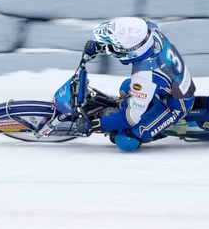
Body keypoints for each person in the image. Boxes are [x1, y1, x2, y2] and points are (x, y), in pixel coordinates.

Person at [79, 17, 196, 152]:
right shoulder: (149, 31)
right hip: (171, 84)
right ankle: (143, 105)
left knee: (125, 140)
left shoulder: (144, 76)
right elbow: (129, 41)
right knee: (125, 87)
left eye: (114, 46)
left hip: (175, 105)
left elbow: (130, 119)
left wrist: (95, 125)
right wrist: (101, 46)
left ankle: (152, 131)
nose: (113, 48)